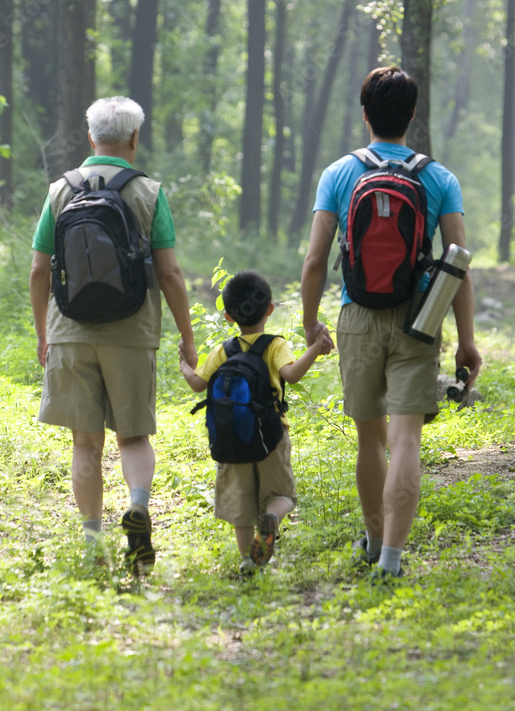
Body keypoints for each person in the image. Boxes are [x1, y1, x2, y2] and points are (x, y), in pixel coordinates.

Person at [300, 67, 482, 582]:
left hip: (357, 316)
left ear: (365, 115)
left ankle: (374, 536)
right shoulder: (438, 177)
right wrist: (466, 340)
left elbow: (315, 261)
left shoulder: (339, 174)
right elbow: (458, 263)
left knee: (368, 441)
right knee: (405, 440)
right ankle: (391, 561)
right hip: (418, 319)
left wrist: (311, 322)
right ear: (412, 116)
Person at [29, 96, 197, 574]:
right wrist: (186, 337)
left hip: (70, 331)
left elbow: (40, 269)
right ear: (134, 138)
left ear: (90, 137)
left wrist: (45, 334)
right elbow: (170, 274)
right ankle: (139, 505)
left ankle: (91, 544)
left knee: (86, 443)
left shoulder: (60, 189)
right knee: (134, 436)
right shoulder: (148, 192)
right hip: (132, 331)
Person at [179, 270, 331, 575]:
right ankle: (272, 519)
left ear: (228, 317)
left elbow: (198, 385)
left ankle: (248, 561)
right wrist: (315, 348)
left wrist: (185, 365)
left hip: (232, 436)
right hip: (272, 435)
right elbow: (292, 375)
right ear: (270, 309)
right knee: (282, 495)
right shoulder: (275, 345)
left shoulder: (223, 350)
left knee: (240, 505)